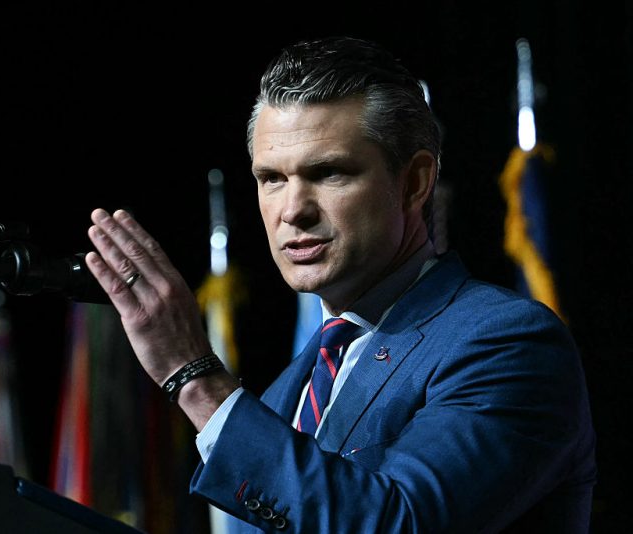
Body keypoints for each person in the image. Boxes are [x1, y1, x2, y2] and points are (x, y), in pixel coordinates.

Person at [84, 36, 596, 533]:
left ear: (415, 182)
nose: (293, 210)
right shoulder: (291, 387)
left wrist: (194, 378)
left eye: (328, 173)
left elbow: (396, 523)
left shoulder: (508, 342)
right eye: (272, 179)